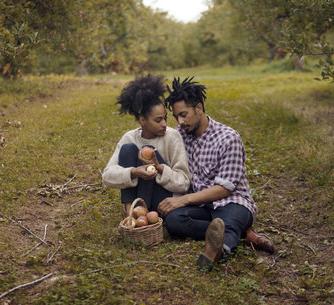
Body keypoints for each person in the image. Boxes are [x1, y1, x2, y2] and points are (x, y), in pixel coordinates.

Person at [158, 77, 274, 271]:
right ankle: (243, 234)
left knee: (228, 220)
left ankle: (217, 251)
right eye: (177, 116)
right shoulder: (180, 135)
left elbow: (224, 189)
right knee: (174, 221)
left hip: (233, 202)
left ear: (199, 108)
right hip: (204, 206)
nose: (180, 121)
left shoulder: (228, 138)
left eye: (184, 115)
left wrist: (183, 200)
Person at [102, 75, 191, 217]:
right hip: (137, 201)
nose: (164, 124)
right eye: (158, 120)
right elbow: (107, 176)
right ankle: (131, 213)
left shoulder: (172, 137)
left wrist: (158, 167)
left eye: (165, 118)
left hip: (162, 200)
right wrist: (134, 172)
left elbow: (184, 183)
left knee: (147, 153)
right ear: (143, 120)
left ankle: (139, 215)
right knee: (128, 149)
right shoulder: (129, 137)